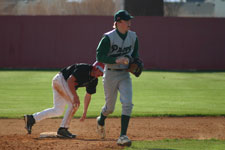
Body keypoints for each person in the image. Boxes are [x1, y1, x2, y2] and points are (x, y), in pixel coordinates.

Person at [24, 61, 105, 138]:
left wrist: (85, 112)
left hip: (62, 83)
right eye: (101, 71)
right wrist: (75, 96)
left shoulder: (94, 80)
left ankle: (32, 118)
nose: (102, 74)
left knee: (57, 110)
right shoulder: (83, 68)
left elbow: (88, 95)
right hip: (61, 80)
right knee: (74, 104)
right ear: (96, 68)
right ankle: (63, 129)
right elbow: (70, 80)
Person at [96, 10, 139, 146]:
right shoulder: (108, 37)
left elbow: (135, 55)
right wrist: (116, 60)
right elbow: (99, 57)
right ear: (118, 22)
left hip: (124, 74)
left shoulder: (133, 37)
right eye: (127, 21)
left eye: (130, 20)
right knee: (110, 108)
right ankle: (101, 120)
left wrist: (133, 61)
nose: (129, 23)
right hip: (110, 73)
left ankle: (122, 136)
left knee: (127, 103)